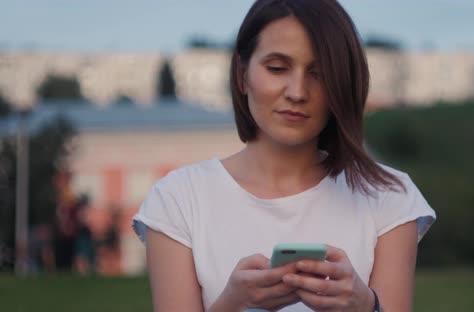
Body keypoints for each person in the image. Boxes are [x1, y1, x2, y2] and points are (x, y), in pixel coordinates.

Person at [132, 0, 436, 311]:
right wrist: (232, 305)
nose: (297, 92)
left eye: (319, 73)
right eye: (277, 68)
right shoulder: (178, 199)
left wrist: (365, 305)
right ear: (242, 75)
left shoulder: (388, 196)